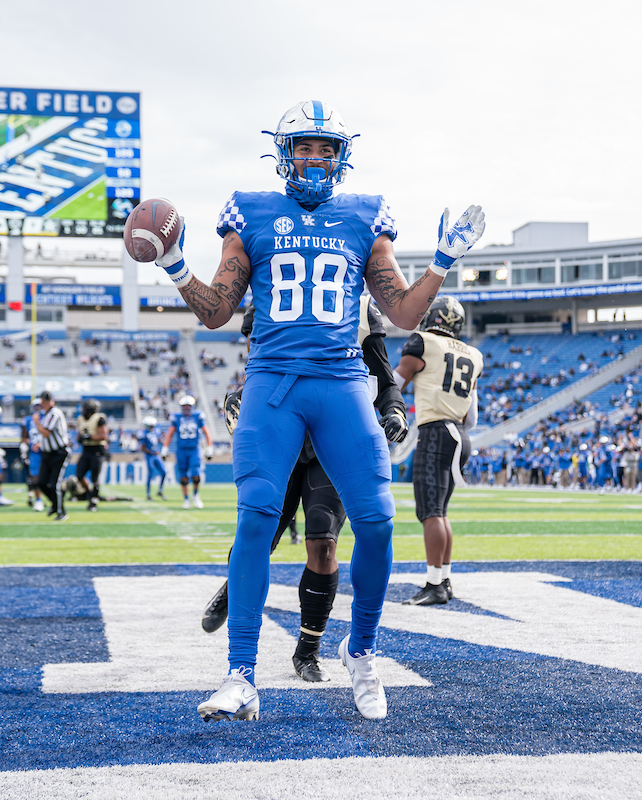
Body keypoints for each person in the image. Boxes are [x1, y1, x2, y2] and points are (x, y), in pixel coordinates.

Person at [152, 100, 484, 721]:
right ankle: (241, 675)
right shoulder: (248, 210)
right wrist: (174, 266)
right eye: (304, 146)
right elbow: (219, 310)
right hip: (273, 382)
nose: (313, 157)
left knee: (379, 521)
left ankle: (361, 653)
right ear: (283, 151)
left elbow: (404, 314)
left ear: (341, 156)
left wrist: (441, 263)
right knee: (255, 518)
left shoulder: (364, 216)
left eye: (325, 148)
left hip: (340, 381)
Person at [201, 298, 408, 683]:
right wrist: (243, 397)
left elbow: (382, 373)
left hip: (333, 437)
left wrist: (394, 408)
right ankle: (234, 587)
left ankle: (308, 651)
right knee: (260, 531)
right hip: (282, 431)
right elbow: (259, 363)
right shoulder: (274, 287)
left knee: (322, 540)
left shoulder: (357, 304)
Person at [393, 296, 483, 605]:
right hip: (459, 434)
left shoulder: (423, 342)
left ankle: (434, 584)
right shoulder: (473, 354)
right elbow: (472, 416)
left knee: (430, 512)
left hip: (435, 431)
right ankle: (443, 579)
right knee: (440, 512)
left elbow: (395, 383)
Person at [162, 395, 212, 509]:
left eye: (188, 406)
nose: (186, 408)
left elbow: (206, 432)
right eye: (184, 406)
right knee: (183, 476)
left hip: (194, 449)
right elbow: (170, 433)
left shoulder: (197, 416)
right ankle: (186, 499)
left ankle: (195, 496)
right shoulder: (176, 417)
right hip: (181, 450)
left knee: (196, 474)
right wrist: (165, 448)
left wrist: (209, 448)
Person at [33, 390, 69, 522]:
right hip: (47, 453)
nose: (42, 405)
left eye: (43, 402)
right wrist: (39, 443)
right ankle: (55, 504)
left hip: (58, 453)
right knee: (41, 483)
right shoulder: (47, 414)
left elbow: (46, 432)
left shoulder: (55, 413)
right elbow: (45, 436)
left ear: (49, 401)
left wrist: (36, 423)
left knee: (55, 484)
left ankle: (61, 511)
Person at [74, 399, 108, 512]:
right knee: (79, 475)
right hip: (86, 450)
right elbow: (79, 435)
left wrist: (90, 437)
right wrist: (80, 439)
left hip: (97, 450)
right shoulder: (80, 419)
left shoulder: (99, 419)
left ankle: (94, 500)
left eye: (84, 408)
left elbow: (103, 436)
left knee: (95, 478)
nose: (82, 410)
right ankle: (89, 495)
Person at [19, 398, 45, 511]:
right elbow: (24, 437)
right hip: (34, 452)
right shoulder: (27, 420)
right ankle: (37, 499)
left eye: (40, 406)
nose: (38, 408)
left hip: (48, 450)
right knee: (34, 476)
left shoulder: (48, 418)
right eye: (36, 406)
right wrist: (24, 446)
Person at [139, 416, 166, 501]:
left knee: (164, 472)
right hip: (150, 456)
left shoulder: (156, 431)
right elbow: (142, 448)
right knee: (150, 474)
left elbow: (157, 440)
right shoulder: (144, 433)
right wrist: (152, 452)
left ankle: (160, 491)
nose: (152, 427)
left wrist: (161, 441)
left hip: (156, 455)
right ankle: (148, 495)